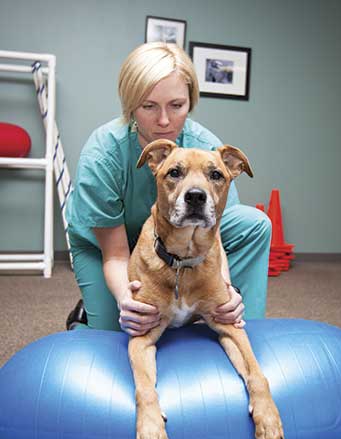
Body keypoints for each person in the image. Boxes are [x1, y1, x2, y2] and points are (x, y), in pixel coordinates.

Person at [65, 42, 271, 335]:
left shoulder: (205, 146)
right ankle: (87, 313)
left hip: (180, 239)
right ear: (130, 103)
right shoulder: (102, 155)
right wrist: (126, 299)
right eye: (149, 106)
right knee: (122, 330)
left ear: (190, 101)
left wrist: (226, 289)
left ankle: (236, 317)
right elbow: (116, 254)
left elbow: (214, 234)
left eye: (177, 105)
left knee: (254, 224)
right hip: (107, 247)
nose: (164, 120)